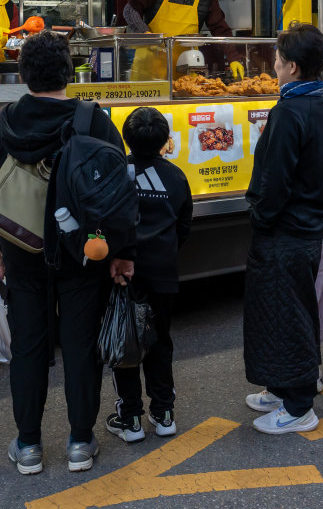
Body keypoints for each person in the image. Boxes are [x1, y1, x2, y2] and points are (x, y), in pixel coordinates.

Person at [0, 32, 133, 475]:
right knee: (81, 347)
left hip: (20, 252)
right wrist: (120, 252)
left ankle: (28, 446)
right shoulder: (93, 120)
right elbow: (117, 196)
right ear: (69, 72)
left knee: (28, 345)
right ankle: (81, 442)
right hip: (83, 252)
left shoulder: (1, 124)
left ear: (23, 73)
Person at [243, 22, 323, 434]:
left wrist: (260, 215)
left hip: (287, 230)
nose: (273, 63)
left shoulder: (289, 111)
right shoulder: (314, 102)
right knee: (280, 310)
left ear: (292, 67)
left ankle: (299, 406)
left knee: (290, 312)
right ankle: (281, 387)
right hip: (304, 226)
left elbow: (275, 180)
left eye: (277, 58)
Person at [105, 107, 193, 443]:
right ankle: (164, 413)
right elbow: (183, 225)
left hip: (121, 274)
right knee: (160, 341)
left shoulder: (115, 172)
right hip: (163, 273)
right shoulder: (175, 176)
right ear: (164, 140)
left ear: (125, 137)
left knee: (125, 341)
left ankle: (130, 419)